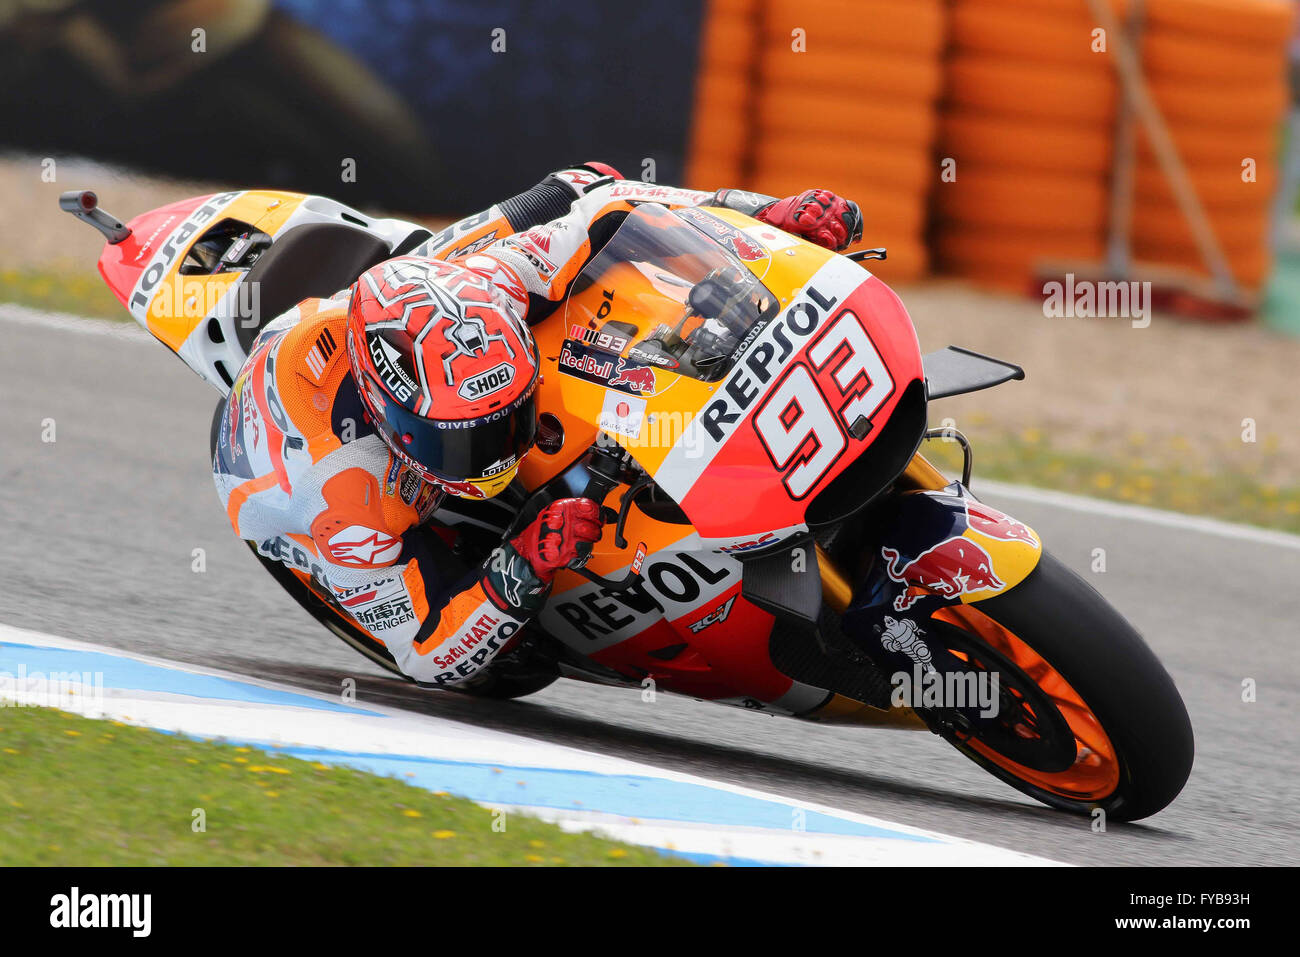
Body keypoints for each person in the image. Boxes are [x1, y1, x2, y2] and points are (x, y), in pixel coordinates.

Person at [212, 163, 862, 688]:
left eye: (507, 419)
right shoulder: (345, 502)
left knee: (576, 186)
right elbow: (424, 649)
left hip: (408, 296)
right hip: (278, 469)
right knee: (505, 665)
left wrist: (760, 212)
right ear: (398, 427)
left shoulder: (495, 284)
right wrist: (523, 562)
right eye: (468, 441)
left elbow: (615, 207)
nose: (500, 453)